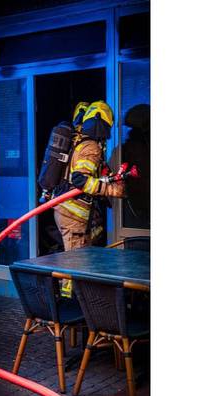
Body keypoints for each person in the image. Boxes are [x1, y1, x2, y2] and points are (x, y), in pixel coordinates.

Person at [53, 100, 125, 296]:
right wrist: (112, 190)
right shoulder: (91, 147)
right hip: (73, 214)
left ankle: (77, 300)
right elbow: (80, 180)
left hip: (67, 211)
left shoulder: (79, 142)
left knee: (78, 259)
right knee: (75, 263)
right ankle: (70, 303)